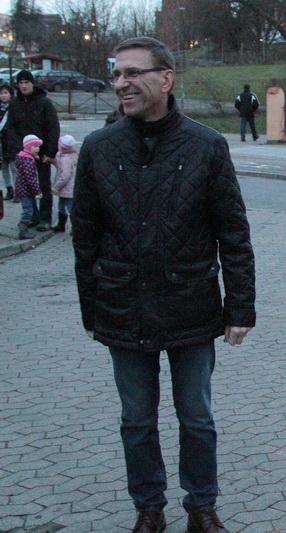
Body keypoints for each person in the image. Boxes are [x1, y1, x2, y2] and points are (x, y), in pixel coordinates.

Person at [72, 37, 256, 533]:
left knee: (196, 417)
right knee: (137, 419)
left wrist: (240, 308)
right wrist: (91, 311)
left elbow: (233, 233)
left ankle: (201, 507)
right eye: (116, 74)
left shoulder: (206, 145)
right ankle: (148, 508)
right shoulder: (98, 148)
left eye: (132, 73)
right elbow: (85, 239)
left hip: (190, 305)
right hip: (122, 307)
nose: (121, 83)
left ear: (166, 78)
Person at [6, 69, 59, 229]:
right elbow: (11, 129)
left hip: (41, 153)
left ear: (32, 83)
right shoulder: (14, 104)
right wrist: (18, 150)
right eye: (21, 83)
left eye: (26, 82)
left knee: (43, 186)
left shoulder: (44, 102)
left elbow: (53, 128)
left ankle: (45, 218)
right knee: (27, 187)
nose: (24, 86)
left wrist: (50, 152)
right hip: (23, 155)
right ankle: (32, 216)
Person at [14, 134, 43, 240]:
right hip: (25, 190)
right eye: (35, 146)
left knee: (30, 208)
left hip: (24, 189)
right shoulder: (28, 161)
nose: (38, 148)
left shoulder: (25, 158)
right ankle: (22, 230)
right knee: (28, 210)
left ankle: (26, 224)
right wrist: (37, 191)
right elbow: (30, 179)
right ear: (28, 147)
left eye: (38, 146)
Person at [51, 134, 78, 233]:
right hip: (67, 189)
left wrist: (56, 187)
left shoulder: (66, 159)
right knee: (61, 206)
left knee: (69, 208)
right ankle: (61, 225)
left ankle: (75, 228)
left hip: (67, 188)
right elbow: (59, 165)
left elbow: (65, 175)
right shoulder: (70, 155)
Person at [0, 83, 14, 201]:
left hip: (12, 142)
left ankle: (18, 190)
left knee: (14, 167)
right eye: (1, 93)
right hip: (1, 142)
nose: (3, 95)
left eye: (6, 93)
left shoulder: (15, 107)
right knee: (4, 167)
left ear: (10, 94)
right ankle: (9, 189)